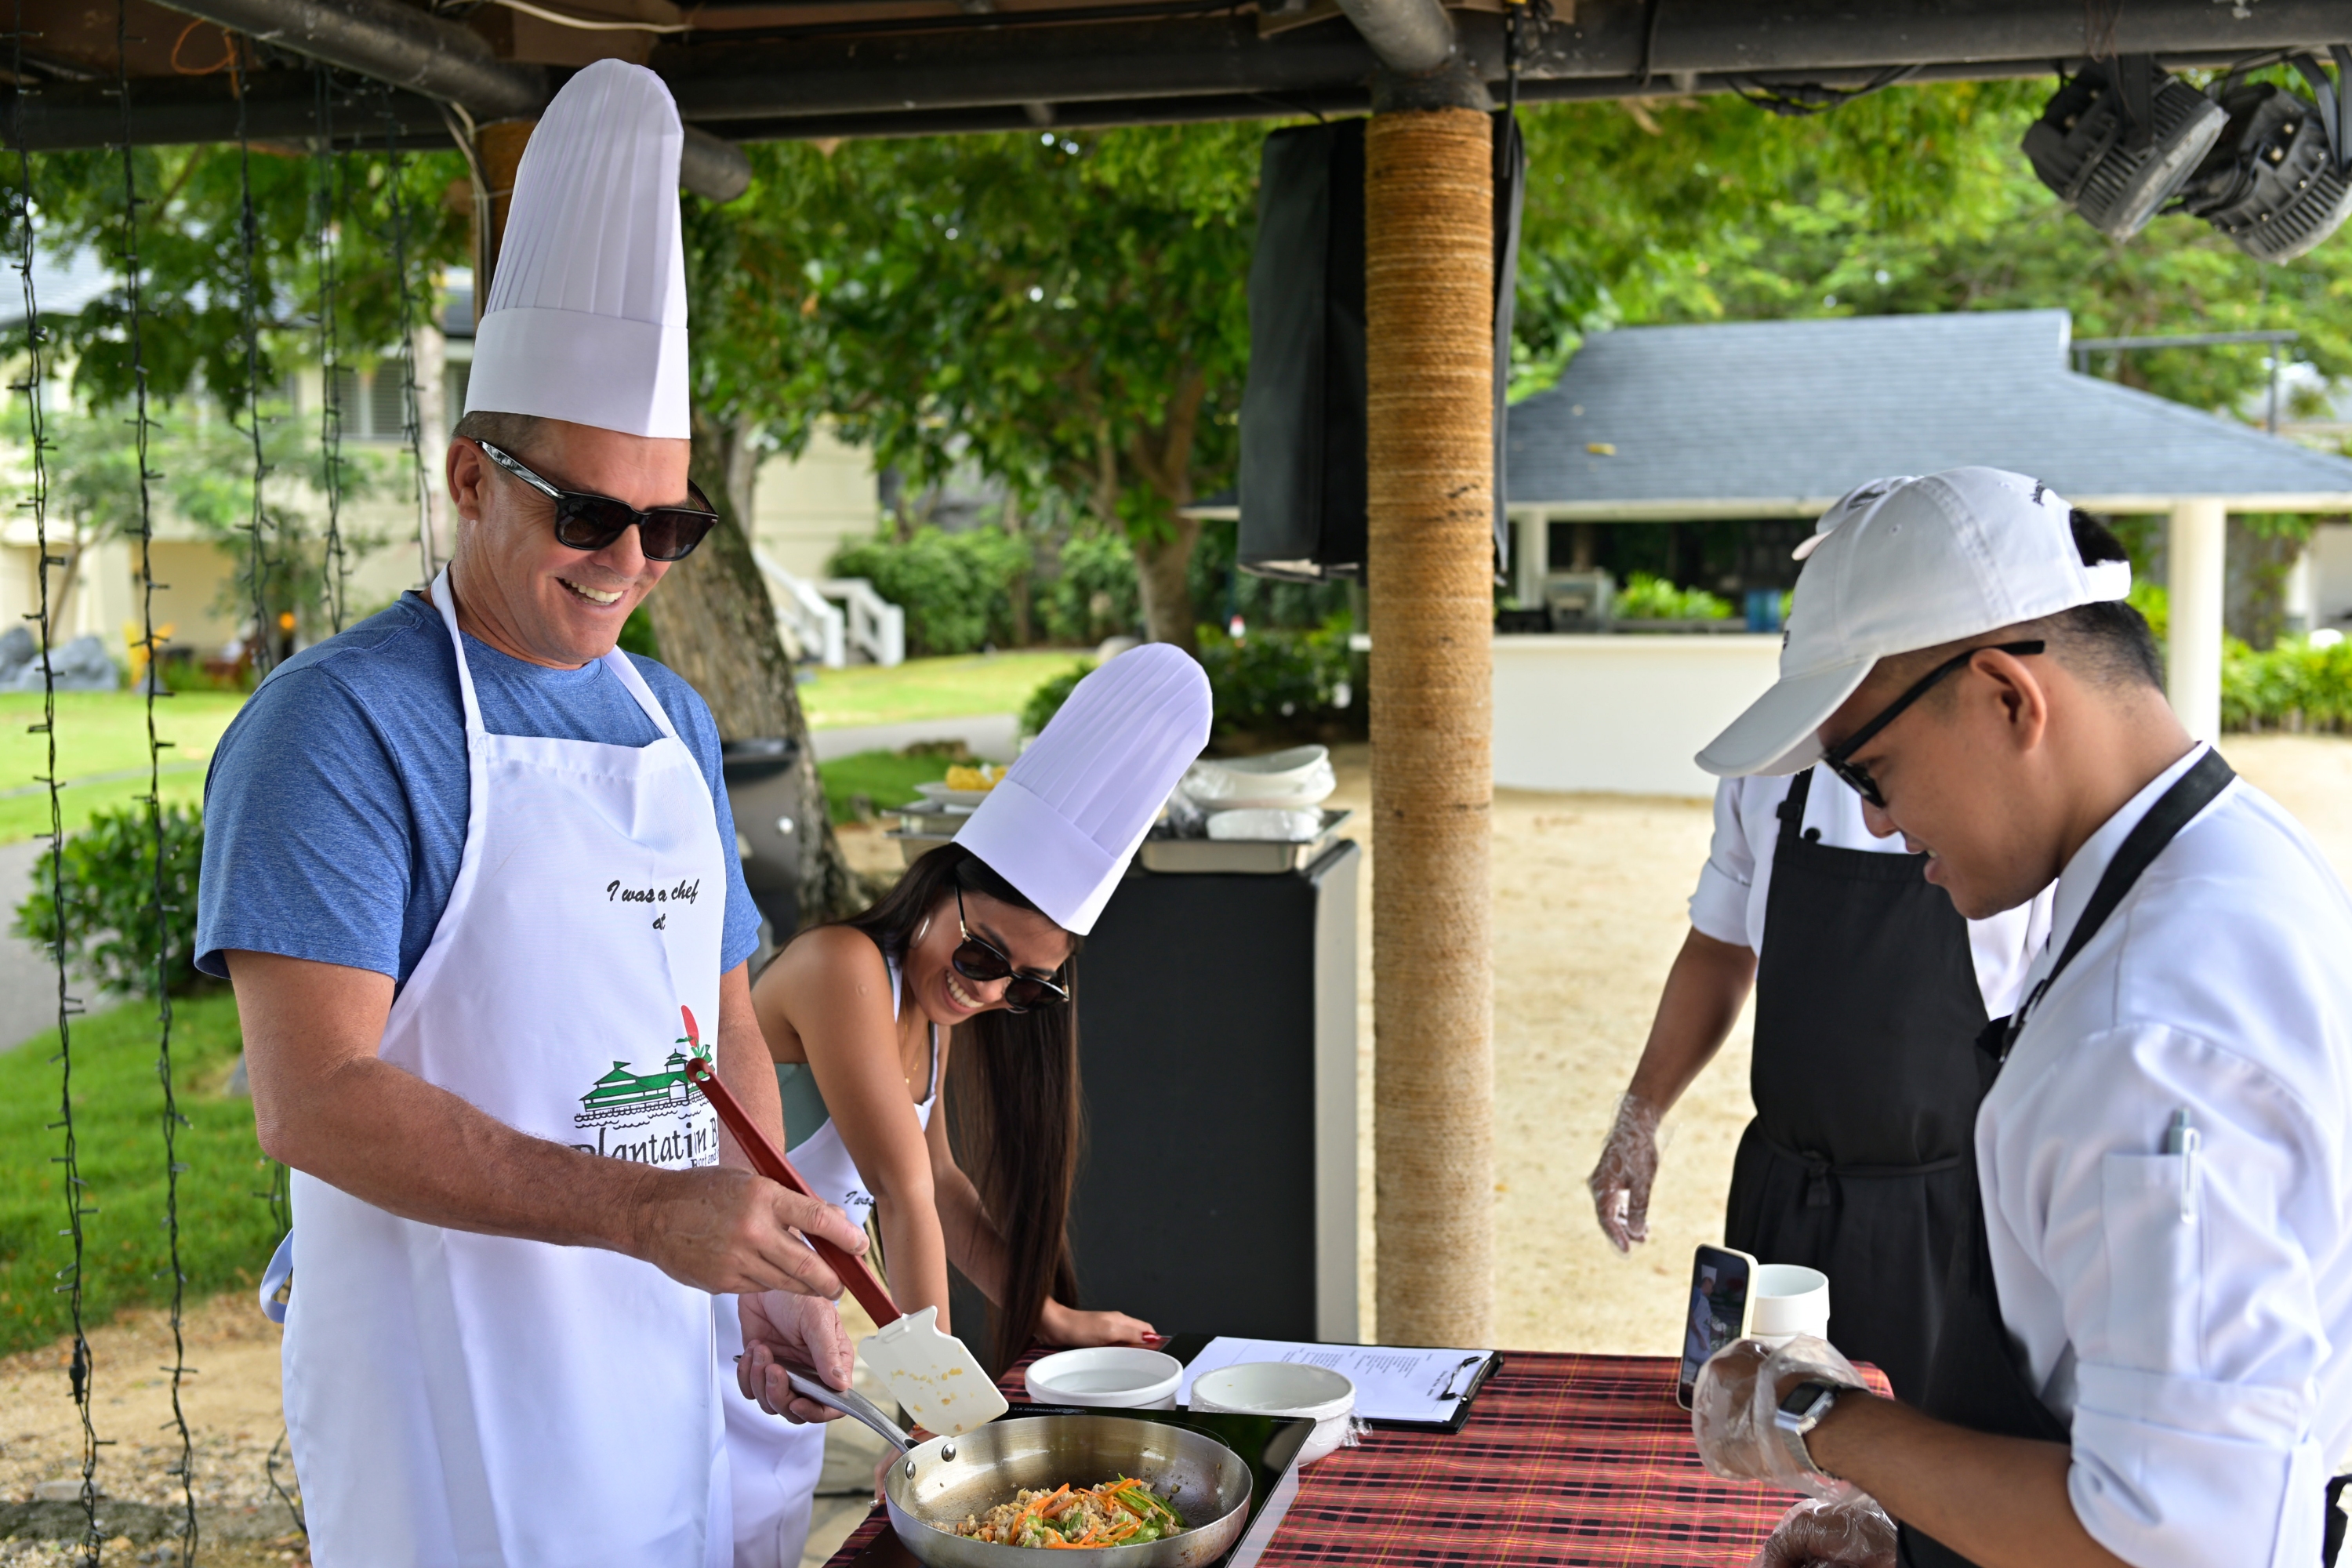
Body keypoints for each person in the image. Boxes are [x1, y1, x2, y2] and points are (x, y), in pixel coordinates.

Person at [196, 62, 866, 1565]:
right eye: (587, 515)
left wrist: (757, 1250)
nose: (631, 564)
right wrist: (644, 1217)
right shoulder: (341, 728)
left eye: (671, 524)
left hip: (674, 1365)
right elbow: (315, 1100)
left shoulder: (670, 717)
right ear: (468, 480)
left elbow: (718, 1024)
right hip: (454, 1391)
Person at [1684, 468, 2352, 1568]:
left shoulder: (2149, 1037)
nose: (1879, 822)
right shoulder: (2226, 857)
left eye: (1874, 767)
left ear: (2008, 696)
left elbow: (2178, 1543)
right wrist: (1922, 1522)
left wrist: (1819, 1420)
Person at [722, 646, 1210, 1567]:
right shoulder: (843, 966)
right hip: (715, 1320)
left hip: (791, 1342)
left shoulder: (935, 1015)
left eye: (1026, 988)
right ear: (937, 883)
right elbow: (900, 1192)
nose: (986, 996)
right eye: (983, 957)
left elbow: (944, 1186)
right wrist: (940, 1424)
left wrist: (1051, 1315)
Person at [1589, 480, 2053, 1399]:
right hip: (1783, 1205)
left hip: (1944, 1210)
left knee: (1926, 1486)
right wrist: (1641, 1112)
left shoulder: (2012, 804)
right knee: (1758, 1469)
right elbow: (1722, 945)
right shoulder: (1768, 775)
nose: (1886, 819)